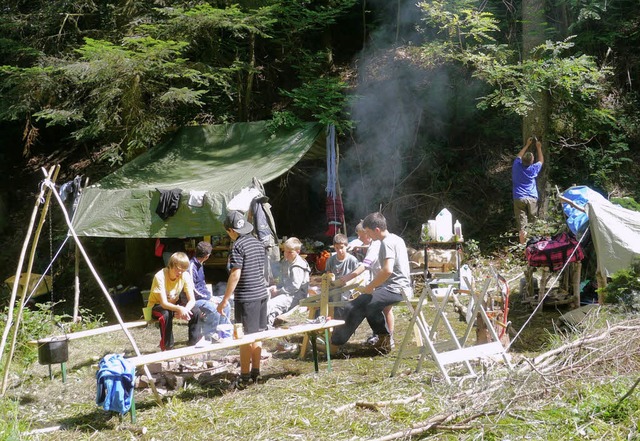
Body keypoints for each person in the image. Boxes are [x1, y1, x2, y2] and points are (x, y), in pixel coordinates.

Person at [330, 212, 412, 354]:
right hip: (400, 288)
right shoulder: (397, 239)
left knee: (354, 305)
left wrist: (370, 287)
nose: (367, 236)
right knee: (368, 305)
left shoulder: (386, 243)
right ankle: (383, 340)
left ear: (377, 230)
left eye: (368, 232)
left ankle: (335, 343)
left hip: (396, 289)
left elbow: (387, 270)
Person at [216, 210, 269, 388]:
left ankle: (245, 377)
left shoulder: (237, 246)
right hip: (262, 294)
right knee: (258, 335)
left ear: (232, 230)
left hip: (247, 298)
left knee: (244, 337)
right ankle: (256, 372)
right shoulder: (257, 243)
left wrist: (224, 300)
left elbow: (236, 274)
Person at [336, 221, 394, 347]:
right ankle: (383, 336)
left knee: (384, 309)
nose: (359, 238)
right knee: (383, 309)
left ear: (368, 234)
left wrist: (346, 278)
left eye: (361, 235)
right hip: (383, 282)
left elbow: (365, 265)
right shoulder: (382, 242)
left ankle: (388, 338)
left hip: (384, 283)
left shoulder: (376, 245)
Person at [147, 252, 196, 351]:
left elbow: (192, 300)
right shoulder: (160, 276)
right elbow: (164, 303)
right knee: (166, 314)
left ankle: (194, 344)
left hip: (173, 304)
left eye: (183, 270)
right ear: (170, 266)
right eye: (178, 270)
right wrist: (179, 309)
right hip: (156, 306)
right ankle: (167, 348)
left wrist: (185, 310)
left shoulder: (185, 275)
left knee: (196, 311)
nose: (180, 273)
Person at [188, 241, 231, 344]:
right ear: (207, 256)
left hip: (203, 297)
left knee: (226, 304)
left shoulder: (200, 264)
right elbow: (193, 289)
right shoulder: (191, 266)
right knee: (213, 309)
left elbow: (202, 285)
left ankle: (223, 333)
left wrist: (210, 296)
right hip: (193, 301)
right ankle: (210, 335)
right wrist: (209, 298)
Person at [266, 237, 311, 326]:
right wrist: (276, 287)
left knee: (271, 304)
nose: (286, 254)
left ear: (298, 252)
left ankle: (267, 325)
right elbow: (284, 280)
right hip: (288, 292)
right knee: (264, 294)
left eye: (290, 252)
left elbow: (294, 287)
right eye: (285, 251)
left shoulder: (297, 266)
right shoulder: (287, 262)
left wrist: (279, 292)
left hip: (296, 296)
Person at [512, 136, 544, 244]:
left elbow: (519, 155)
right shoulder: (533, 169)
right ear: (532, 162)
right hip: (532, 198)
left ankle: (523, 248)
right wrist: (538, 148)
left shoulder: (516, 166)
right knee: (534, 222)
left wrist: (527, 145)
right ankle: (535, 246)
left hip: (519, 198)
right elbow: (541, 161)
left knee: (522, 225)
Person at [325, 233, 359, 301]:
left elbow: (356, 277)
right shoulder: (330, 260)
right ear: (334, 247)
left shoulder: (352, 260)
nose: (339, 250)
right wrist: (331, 280)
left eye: (341, 247)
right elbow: (328, 275)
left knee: (345, 297)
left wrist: (347, 283)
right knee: (334, 297)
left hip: (349, 286)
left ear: (346, 246)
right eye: (337, 248)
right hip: (335, 287)